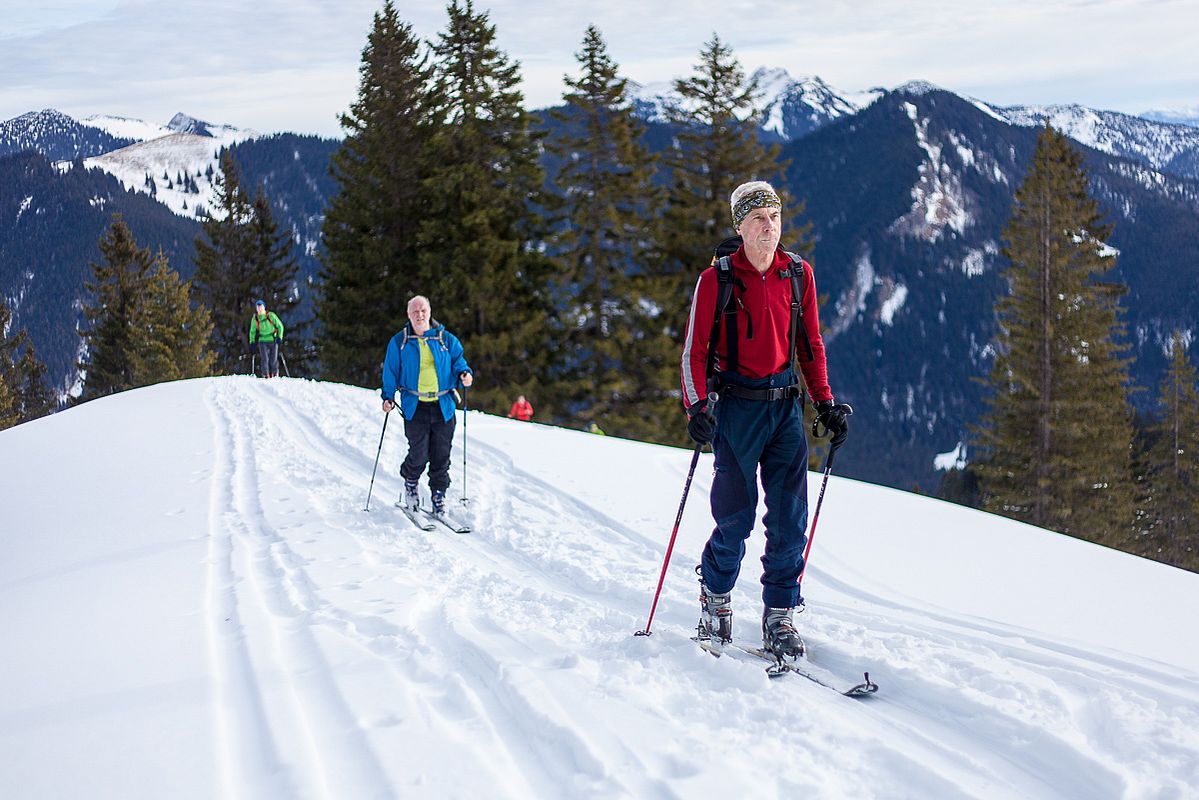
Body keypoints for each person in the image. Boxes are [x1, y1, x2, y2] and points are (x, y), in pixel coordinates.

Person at [680, 180, 851, 661]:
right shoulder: (716, 280)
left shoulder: (798, 274)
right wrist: (696, 408)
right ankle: (714, 601)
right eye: (757, 217)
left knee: (790, 521)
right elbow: (693, 353)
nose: (768, 225)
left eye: (774, 215)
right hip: (735, 410)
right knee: (735, 519)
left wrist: (825, 403)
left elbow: (810, 347)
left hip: (785, 411)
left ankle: (779, 614)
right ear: (740, 225)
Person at [381, 295, 473, 515]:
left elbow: (459, 360)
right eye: (415, 311)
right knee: (419, 453)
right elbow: (391, 371)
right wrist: (388, 396)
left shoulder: (446, 339)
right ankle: (411, 482)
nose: (420, 315)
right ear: (408, 315)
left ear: (430, 312)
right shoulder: (399, 341)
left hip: (443, 405)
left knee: (442, 454)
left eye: (423, 311)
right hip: (416, 405)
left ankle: (438, 494)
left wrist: (465, 373)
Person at [248, 299, 284, 378]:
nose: (259, 309)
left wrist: (279, 337)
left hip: (273, 339)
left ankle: (275, 374)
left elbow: (280, 326)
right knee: (264, 359)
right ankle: (265, 375)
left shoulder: (271, 316)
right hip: (262, 341)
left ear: (264, 307)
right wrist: (252, 342)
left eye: (261, 307)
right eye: (258, 307)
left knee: (273, 359)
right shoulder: (255, 318)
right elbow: (252, 331)